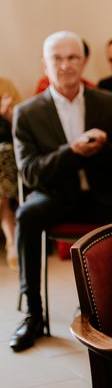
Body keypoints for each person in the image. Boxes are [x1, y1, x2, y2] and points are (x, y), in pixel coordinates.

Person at [11, 31, 112, 352]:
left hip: (99, 195)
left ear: (85, 61)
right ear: (45, 64)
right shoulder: (27, 112)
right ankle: (33, 312)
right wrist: (71, 152)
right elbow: (30, 171)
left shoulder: (107, 101)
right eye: (56, 58)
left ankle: (105, 309)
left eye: (72, 57)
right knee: (27, 215)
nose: (65, 65)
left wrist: (104, 147)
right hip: (56, 195)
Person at [0, 77, 20, 270]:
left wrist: (8, 115)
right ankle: (11, 241)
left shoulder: (6, 86)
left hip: (6, 155)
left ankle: (11, 240)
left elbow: (22, 127)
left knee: (3, 152)